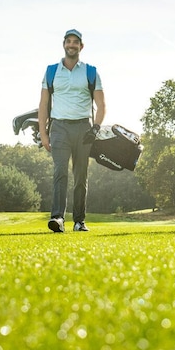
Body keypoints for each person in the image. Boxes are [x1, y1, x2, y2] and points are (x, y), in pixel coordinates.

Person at [39, 28, 106, 233]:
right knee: (60, 173)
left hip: (83, 128)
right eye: (68, 41)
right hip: (59, 128)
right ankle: (57, 218)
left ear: (81, 46)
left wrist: (95, 128)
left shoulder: (91, 72)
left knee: (80, 175)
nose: (71, 45)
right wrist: (44, 133)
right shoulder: (51, 71)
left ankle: (79, 221)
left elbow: (101, 105)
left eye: (75, 42)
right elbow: (43, 104)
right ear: (63, 44)